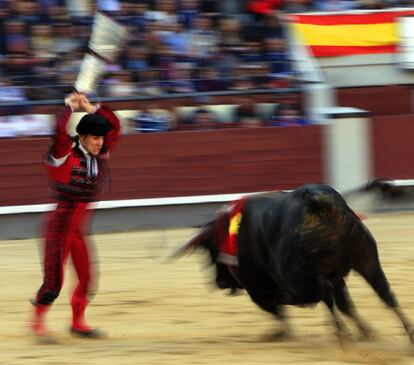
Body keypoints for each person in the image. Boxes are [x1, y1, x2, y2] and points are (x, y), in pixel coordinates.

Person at [30, 92, 121, 338]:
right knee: (54, 283)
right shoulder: (64, 154)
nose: (100, 142)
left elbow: (114, 127)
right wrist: (68, 109)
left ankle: (77, 322)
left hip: (78, 230)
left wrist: (90, 107)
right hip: (58, 228)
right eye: (95, 138)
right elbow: (58, 133)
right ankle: (37, 322)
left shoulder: (98, 155)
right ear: (82, 136)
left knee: (87, 278)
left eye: (101, 138)